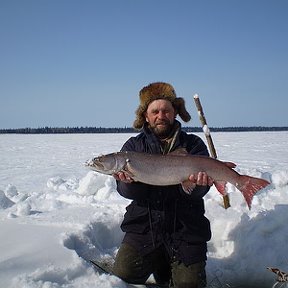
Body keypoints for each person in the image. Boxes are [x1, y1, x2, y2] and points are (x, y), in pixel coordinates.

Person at [112, 82, 213, 288]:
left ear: (175, 112)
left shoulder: (193, 144)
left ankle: (171, 267)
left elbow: (197, 192)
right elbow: (127, 192)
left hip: (186, 230)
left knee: (189, 285)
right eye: (155, 111)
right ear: (146, 116)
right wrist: (128, 184)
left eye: (166, 110)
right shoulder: (132, 148)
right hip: (144, 228)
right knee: (123, 274)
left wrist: (200, 186)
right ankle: (160, 264)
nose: (161, 115)